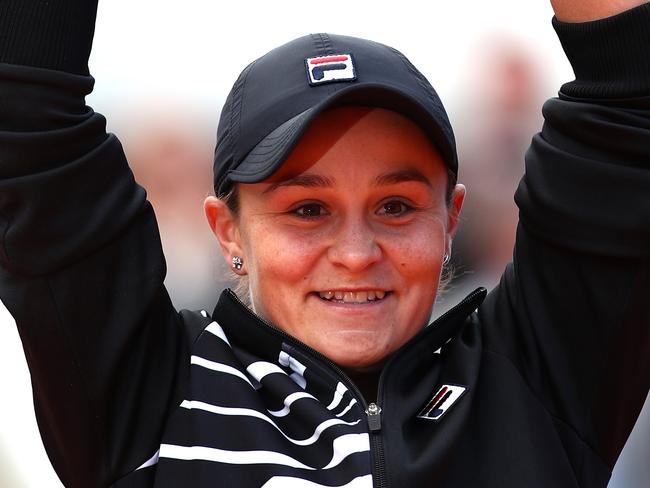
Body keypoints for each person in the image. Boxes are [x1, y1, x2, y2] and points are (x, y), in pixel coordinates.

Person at [0, 1, 649, 487]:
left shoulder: (533, 379)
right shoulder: (148, 391)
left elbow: (632, 95)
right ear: (229, 232)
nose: (357, 251)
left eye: (396, 206)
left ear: (451, 219)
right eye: (307, 209)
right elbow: (24, 113)